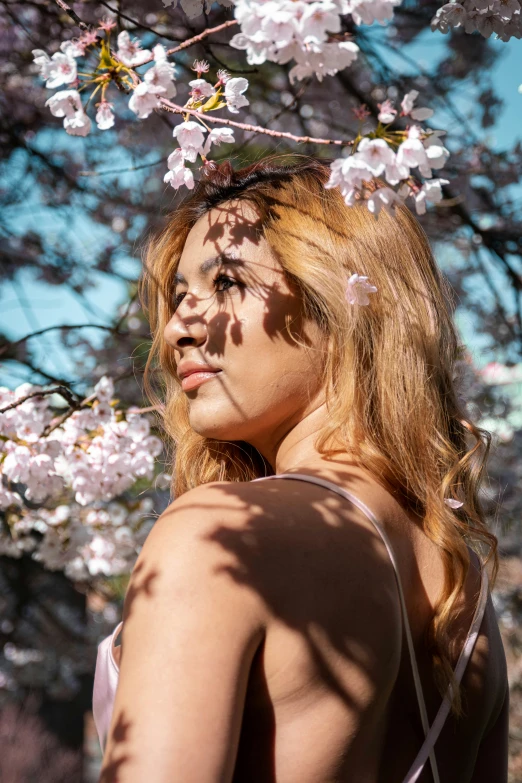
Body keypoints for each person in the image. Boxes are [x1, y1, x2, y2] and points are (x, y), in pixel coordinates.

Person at [93, 155, 509, 782]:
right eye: (180, 296)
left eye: (226, 282)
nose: (179, 326)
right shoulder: (463, 584)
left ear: (340, 299)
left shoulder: (221, 534)